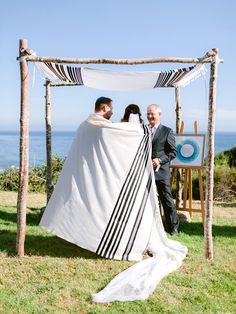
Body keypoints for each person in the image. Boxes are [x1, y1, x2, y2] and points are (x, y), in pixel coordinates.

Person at [147, 104, 179, 235]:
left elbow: (173, 152)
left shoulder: (167, 131)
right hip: (145, 171)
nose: (149, 116)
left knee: (166, 199)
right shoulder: (143, 130)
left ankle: (174, 227)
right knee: (150, 200)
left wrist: (159, 160)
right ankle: (155, 226)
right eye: (148, 114)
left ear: (159, 114)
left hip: (161, 172)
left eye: (152, 114)